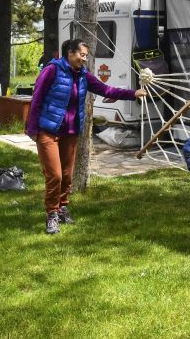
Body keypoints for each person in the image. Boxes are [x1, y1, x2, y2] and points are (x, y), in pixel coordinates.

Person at [26, 39, 147, 234]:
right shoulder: (51, 70)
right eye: (82, 55)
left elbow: (106, 90)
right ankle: (51, 214)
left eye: (86, 56)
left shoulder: (83, 75)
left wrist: (133, 93)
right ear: (70, 53)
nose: (84, 59)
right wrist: (32, 129)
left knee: (67, 175)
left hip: (70, 131)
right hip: (48, 130)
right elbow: (37, 98)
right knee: (55, 175)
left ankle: (62, 208)